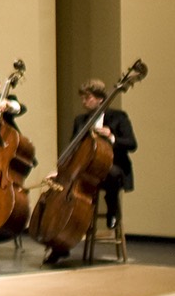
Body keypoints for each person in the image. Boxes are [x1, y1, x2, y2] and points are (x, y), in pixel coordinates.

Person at [43, 78, 138, 264]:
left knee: (110, 173)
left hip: (113, 168)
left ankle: (112, 208)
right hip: (84, 172)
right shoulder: (81, 121)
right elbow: (73, 148)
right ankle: (59, 247)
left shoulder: (118, 117)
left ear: (100, 98)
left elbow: (132, 144)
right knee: (63, 198)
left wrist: (111, 136)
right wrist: (59, 170)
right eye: (82, 98)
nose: (84, 102)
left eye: (88, 98)